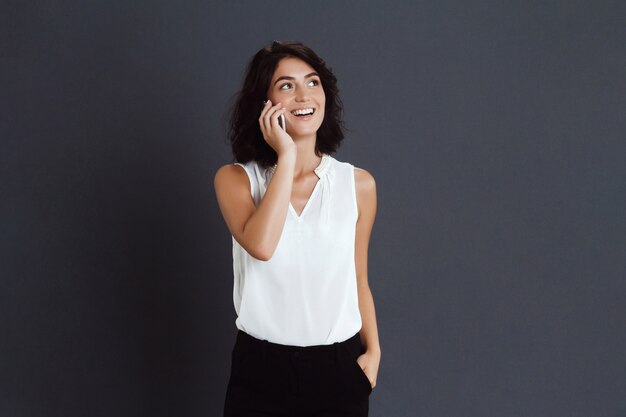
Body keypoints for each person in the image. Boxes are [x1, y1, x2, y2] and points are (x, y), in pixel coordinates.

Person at [214, 40, 381, 417]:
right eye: (286, 85)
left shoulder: (358, 185)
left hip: (339, 370)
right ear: (264, 103)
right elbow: (262, 245)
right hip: (260, 370)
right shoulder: (236, 180)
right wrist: (287, 155)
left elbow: (359, 279)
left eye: (313, 82)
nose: (304, 94)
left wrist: (373, 352)